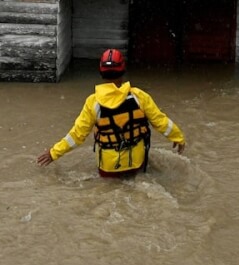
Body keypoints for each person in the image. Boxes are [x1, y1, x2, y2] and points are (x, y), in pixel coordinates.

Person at [36, 48, 186, 177]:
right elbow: (161, 122)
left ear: (101, 72)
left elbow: (77, 136)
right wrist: (178, 137)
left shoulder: (93, 103)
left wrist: (54, 153)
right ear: (123, 70)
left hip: (108, 168)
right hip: (136, 163)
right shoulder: (139, 96)